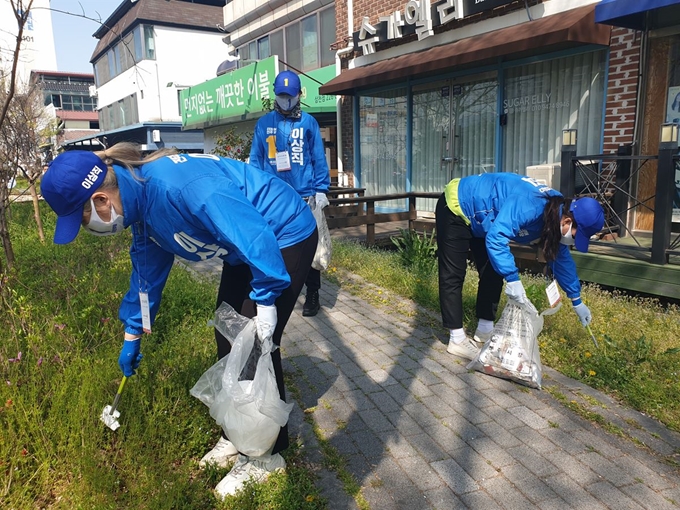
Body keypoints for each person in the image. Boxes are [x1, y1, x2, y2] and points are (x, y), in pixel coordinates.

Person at [40, 144, 318, 499]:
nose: (87, 229)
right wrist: (132, 334)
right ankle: (237, 433)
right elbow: (146, 273)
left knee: (253, 343)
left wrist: (265, 299)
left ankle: (265, 455)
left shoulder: (179, 187)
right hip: (242, 245)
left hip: (281, 233)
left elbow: (252, 231)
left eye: (80, 219)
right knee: (227, 336)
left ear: (100, 200)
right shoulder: (140, 205)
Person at [435, 173, 605, 360]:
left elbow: (561, 258)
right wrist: (513, 279)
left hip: (486, 219)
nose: (572, 241)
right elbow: (497, 237)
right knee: (454, 274)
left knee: (493, 270)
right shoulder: (532, 205)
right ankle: (456, 339)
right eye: (575, 235)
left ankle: (484, 330)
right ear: (567, 221)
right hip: (459, 205)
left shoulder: (556, 211)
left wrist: (577, 300)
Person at [250, 69, 330, 317]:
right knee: (273, 246)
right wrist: (254, 190)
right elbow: (256, 159)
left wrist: (321, 189)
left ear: (299, 95)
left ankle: (313, 293)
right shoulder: (264, 125)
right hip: (273, 197)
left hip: (304, 196)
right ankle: (278, 291)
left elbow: (318, 158)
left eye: (291, 95)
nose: (286, 99)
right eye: (282, 94)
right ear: (276, 93)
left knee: (310, 246)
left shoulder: (308, 123)